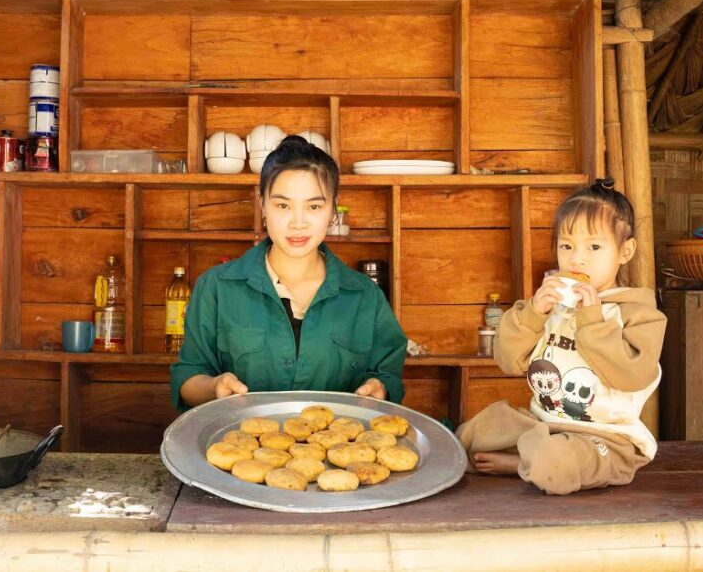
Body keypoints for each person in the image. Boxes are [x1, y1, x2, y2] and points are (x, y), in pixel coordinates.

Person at [456, 178, 666, 495]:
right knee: (466, 438)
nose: (576, 259)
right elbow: (508, 361)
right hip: (542, 423)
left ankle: (522, 464)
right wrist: (533, 314)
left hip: (603, 437)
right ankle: (530, 457)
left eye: (594, 247)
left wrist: (592, 319)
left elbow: (632, 376)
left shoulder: (638, 313)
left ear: (625, 251)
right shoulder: (551, 306)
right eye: (566, 246)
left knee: (553, 462)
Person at [169, 135, 407, 411]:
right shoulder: (216, 287)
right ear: (262, 205)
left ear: (332, 209)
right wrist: (214, 387)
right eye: (283, 205)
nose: (298, 222)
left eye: (314, 206)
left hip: (340, 451)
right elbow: (187, 378)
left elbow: (388, 376)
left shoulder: (365, 295)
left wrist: (381, 389)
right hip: (241, 448)